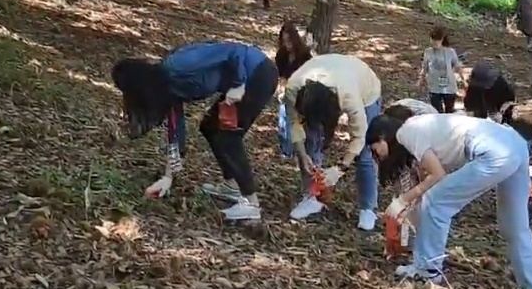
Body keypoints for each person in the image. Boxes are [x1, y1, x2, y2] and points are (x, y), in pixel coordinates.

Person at [366, 113, 532, 289]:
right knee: (514, 227)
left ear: (382, 137)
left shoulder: (406, 133)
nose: (376, 154)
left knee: (435, 203)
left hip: (493, 151)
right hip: (515, 144)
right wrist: (412, 208)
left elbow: (437, 175)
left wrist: (402, 201)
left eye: (374, 148)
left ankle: (426, 272)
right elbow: (427, 178)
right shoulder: (417, 128)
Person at [111, 41, 277, 221]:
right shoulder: (169, 88)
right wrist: (168, 177)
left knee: (228, 137)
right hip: (246, 80)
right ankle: (232, 186)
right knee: (210, 127)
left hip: (257, 74)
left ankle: (252, 205)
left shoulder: (179, 64)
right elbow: (175, 132)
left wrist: (238, 83)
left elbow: (235, 52)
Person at [284, 53, 383, 229]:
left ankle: (368, 209)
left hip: (365, 88)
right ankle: (314, 197)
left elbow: (360, 136)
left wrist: (340, 168)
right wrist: (302, 153)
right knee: (310, 142)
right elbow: (294, 123)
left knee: (365, 152)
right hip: (330, 74)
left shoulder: (349, 96)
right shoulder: (294, 88)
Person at [274, 22, 312, 158]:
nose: (286, 45)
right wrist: (281, 88)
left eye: (289, 41)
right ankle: (287, 152)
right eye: (283, 41)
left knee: (299, 122)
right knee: (283, 122)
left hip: (302, 93)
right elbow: (282, 75)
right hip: (287, 92)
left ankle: (302, 150)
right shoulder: (282, 55)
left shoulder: (305, 56)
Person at [419, 26, 463, 113]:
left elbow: (457, 66)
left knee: (449, 111)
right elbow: (425, 67)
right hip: (434, 86)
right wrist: (421, 80)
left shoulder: (450, 52)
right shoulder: (428, 52)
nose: (434, 42)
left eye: (437, 40)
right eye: (432, 39)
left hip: (449, 86)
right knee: (436, 111)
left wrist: (463, 79)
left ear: (442, 40)